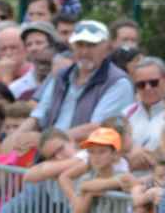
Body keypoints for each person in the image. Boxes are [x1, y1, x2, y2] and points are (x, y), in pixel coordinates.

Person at [8, 20, 134, 150]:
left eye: (91, 45)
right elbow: (39, 115)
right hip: (52, 151)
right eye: (79, 45)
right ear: (72, 46)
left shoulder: (118, 82)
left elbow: (97, 127)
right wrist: (15, 140)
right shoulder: (61, 76)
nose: (84, 51)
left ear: (107, 48)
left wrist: (45, 140)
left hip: (89, 156)